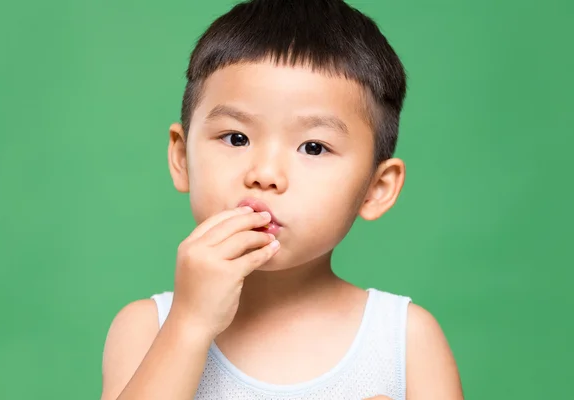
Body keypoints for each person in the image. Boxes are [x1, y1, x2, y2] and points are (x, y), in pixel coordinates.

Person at [101, 0, 463, 399]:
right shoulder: (148, 327)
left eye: (313, 147)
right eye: (236, 138)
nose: (265, 175)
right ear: (182, 158)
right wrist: (189, 325)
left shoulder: (405, 340)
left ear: (377, 188)